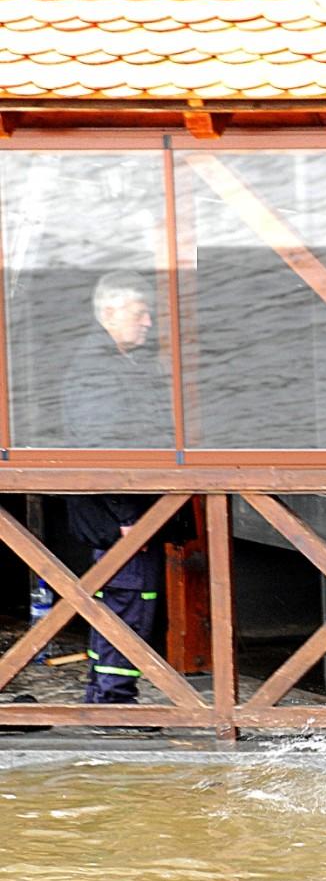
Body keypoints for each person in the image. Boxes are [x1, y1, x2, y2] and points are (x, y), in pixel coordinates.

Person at [63, 271, 174, 706]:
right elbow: (104, 449)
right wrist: (128, 516)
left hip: (122, 514)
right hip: (121, 518)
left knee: (123, 601)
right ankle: (113, 701)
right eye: (139, 312)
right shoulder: (97, 368)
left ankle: (106, 696)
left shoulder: (116, 363)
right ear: (108, 313)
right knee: (129, 602)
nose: (148, 321)